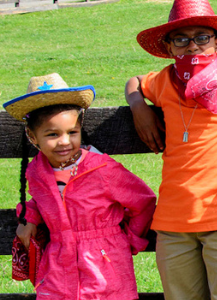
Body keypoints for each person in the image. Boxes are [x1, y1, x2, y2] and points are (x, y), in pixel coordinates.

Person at [124, 0, 217, 297]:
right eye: (181, 39)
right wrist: (137, 106)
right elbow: (134, 82)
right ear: (169, 48)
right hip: (173, 221)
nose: (192, 46)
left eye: (201, 37)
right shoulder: (163, 81)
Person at [8, 74, 157, 299]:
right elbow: (41, 202)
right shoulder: (37, 171)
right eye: (52, 134)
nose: (64, 141)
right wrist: (28, 219)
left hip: (106, 265)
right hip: (58, 264)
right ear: (32, 136)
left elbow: (143, 201)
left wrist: (131, 239)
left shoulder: (102, 169)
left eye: (72, 132)